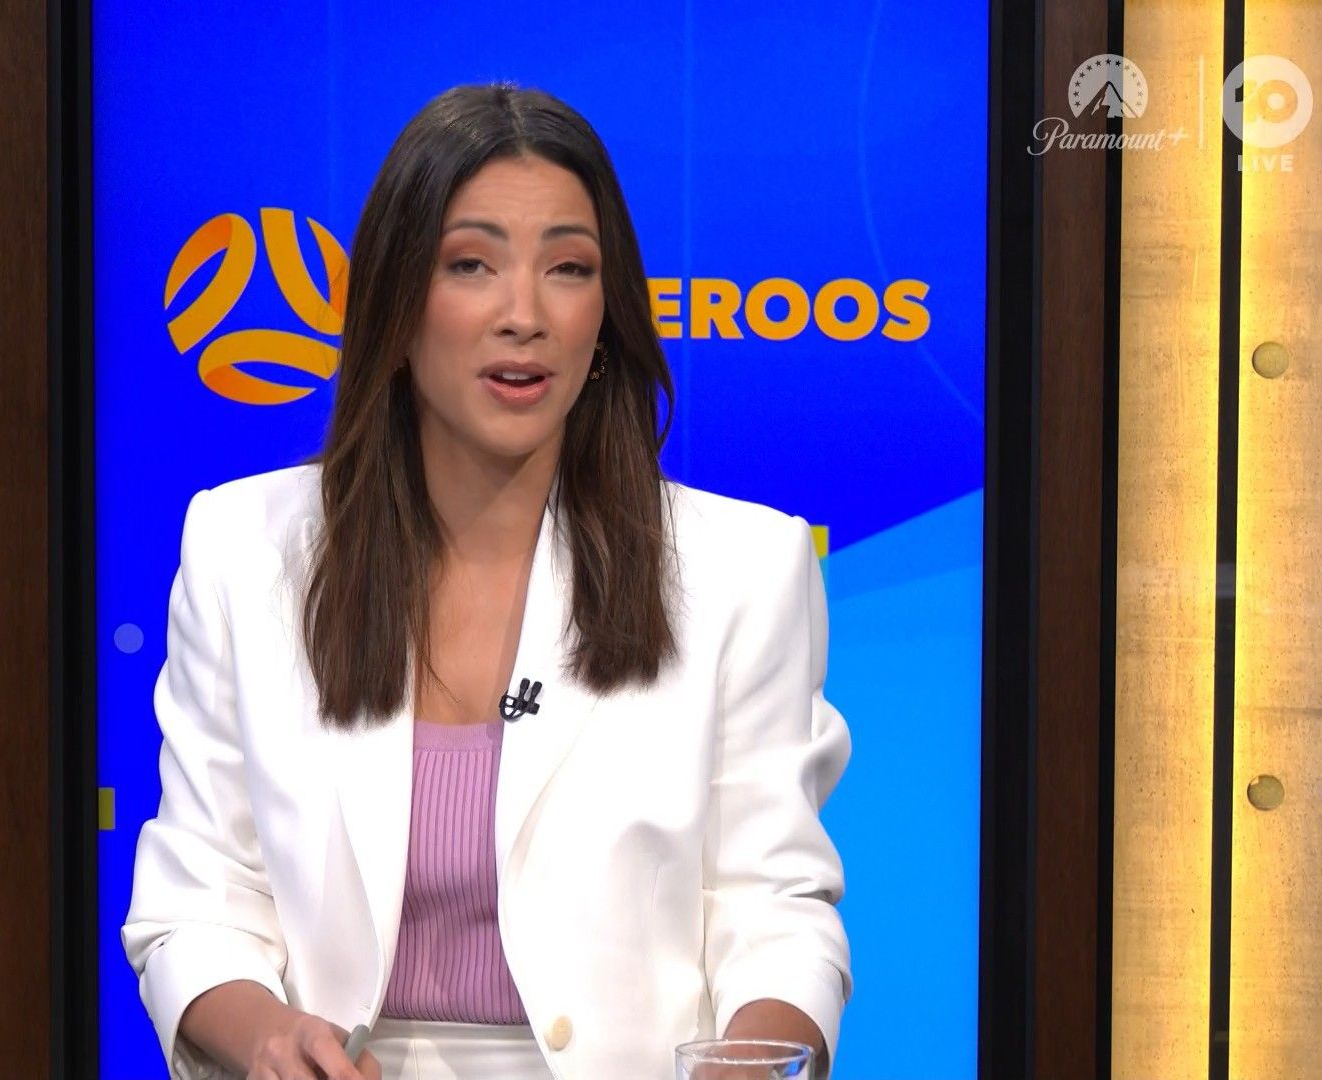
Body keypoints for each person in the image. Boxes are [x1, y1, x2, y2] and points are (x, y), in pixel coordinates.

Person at [123, 83, 850, 1080]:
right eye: (471, 264)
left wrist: (747, 1060)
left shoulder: (740, 567)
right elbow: (195, 904)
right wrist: (269, 1039)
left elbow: (775, 908)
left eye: (569, 268)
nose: (525, 316)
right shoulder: (245, 548)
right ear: (396, 304)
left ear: (607, 314)